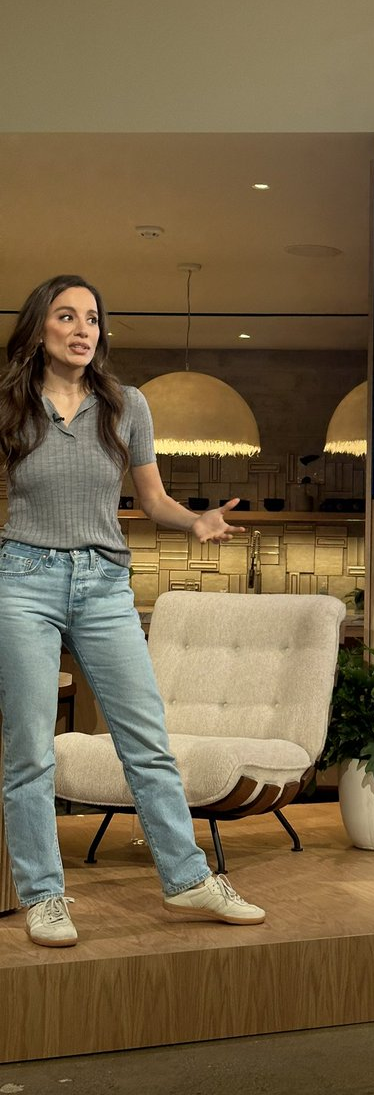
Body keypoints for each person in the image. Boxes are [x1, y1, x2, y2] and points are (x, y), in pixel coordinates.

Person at [0, 275, 265, 947]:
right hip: (23, 580)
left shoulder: (127, 405)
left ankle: (188, 880)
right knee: (29, 750)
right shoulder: (9, 405)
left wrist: (194, 521)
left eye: (92, 318)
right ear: (38, 328)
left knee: (147, 742)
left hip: (104, 585)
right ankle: (44, 897)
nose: (83, 329)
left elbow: (151, 500)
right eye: (67, 316)